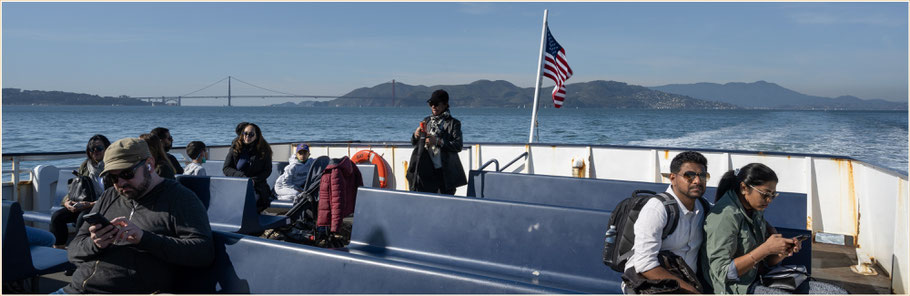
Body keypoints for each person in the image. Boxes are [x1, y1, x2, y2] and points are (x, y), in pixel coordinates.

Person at [61, 137, 213, 294]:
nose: (120, 183)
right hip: (74, 289)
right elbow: (73, 252)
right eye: (113, 177)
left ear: (149, 165)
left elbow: (203, 253)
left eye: (127, 173)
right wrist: (95, 244)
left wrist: (144, 238)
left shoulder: (179, 199)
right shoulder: (109, 196)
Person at [701, 163, 847, 294]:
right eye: (765, 195)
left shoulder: (754, 210)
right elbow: (722, 272)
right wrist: (765, 249)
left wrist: (781, 251)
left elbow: (766, 262)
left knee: (838, 292)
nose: (769, 201)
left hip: (760, 278)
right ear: (744, 188)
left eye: (773, 195)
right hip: (737, 288)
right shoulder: (724, 217)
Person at [625, 151, 710, 294]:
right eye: (689, 176)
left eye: (702, 176)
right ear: (673, 178)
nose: (697, 181)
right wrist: (692, 291)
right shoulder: (657, 209)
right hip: (649, 283)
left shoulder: (704, 207)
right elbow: (645, 264)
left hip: (687, 281)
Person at [49, 134, 111, 249]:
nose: (95, 151)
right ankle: (59, 249)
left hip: (104, 205)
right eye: (92, 149)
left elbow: (115, 195)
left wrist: (91, 204)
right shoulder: (86, 166)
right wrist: (67, 202)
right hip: (84, 204)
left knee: (83, 217)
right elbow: (75, 188)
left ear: (107, 149)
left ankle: (79, 249)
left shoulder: (112, 167)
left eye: (99, 148)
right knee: (57, 217)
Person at [406, 89, 467, 195]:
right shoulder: (427, 121)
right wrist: (416, 136)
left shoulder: (454, 123)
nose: (433, 106)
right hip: (427, 170)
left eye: (436, 103)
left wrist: (438, 142)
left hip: (445, 173)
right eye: (431, 103)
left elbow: (458, 146)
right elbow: (415, 144)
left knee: (446, 203)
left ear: (445, 104)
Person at [224, 122, 273, 212]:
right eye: (245, 133)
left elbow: (267, 170)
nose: (247, 136)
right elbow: (226, 168)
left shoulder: (264, 150)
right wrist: (242, 177)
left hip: (257, 187)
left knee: (245, 201)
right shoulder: (235, 147)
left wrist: (253, 180)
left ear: (256, 136)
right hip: (236, 184)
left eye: (251, 134)